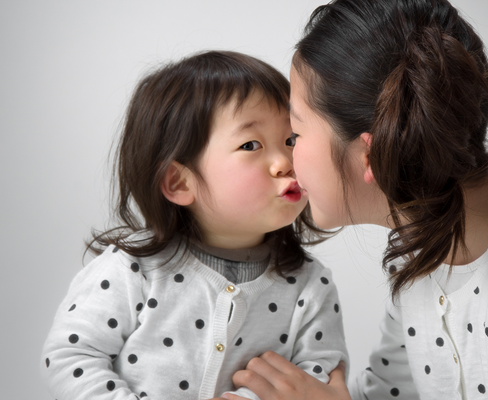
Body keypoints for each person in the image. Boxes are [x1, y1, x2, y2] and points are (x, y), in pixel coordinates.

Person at [223, 1, 488, 399]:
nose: (288, 157)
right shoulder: (418, 246)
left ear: (369, 156)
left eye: (295, 133)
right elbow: (389, 393)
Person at [41, 50, 348, 400]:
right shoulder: (132, 270)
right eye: (251, 145)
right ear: (179, 182)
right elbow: (70, 356)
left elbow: (320, 376)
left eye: (291, 139)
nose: (284, 162)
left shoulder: (311, 284)